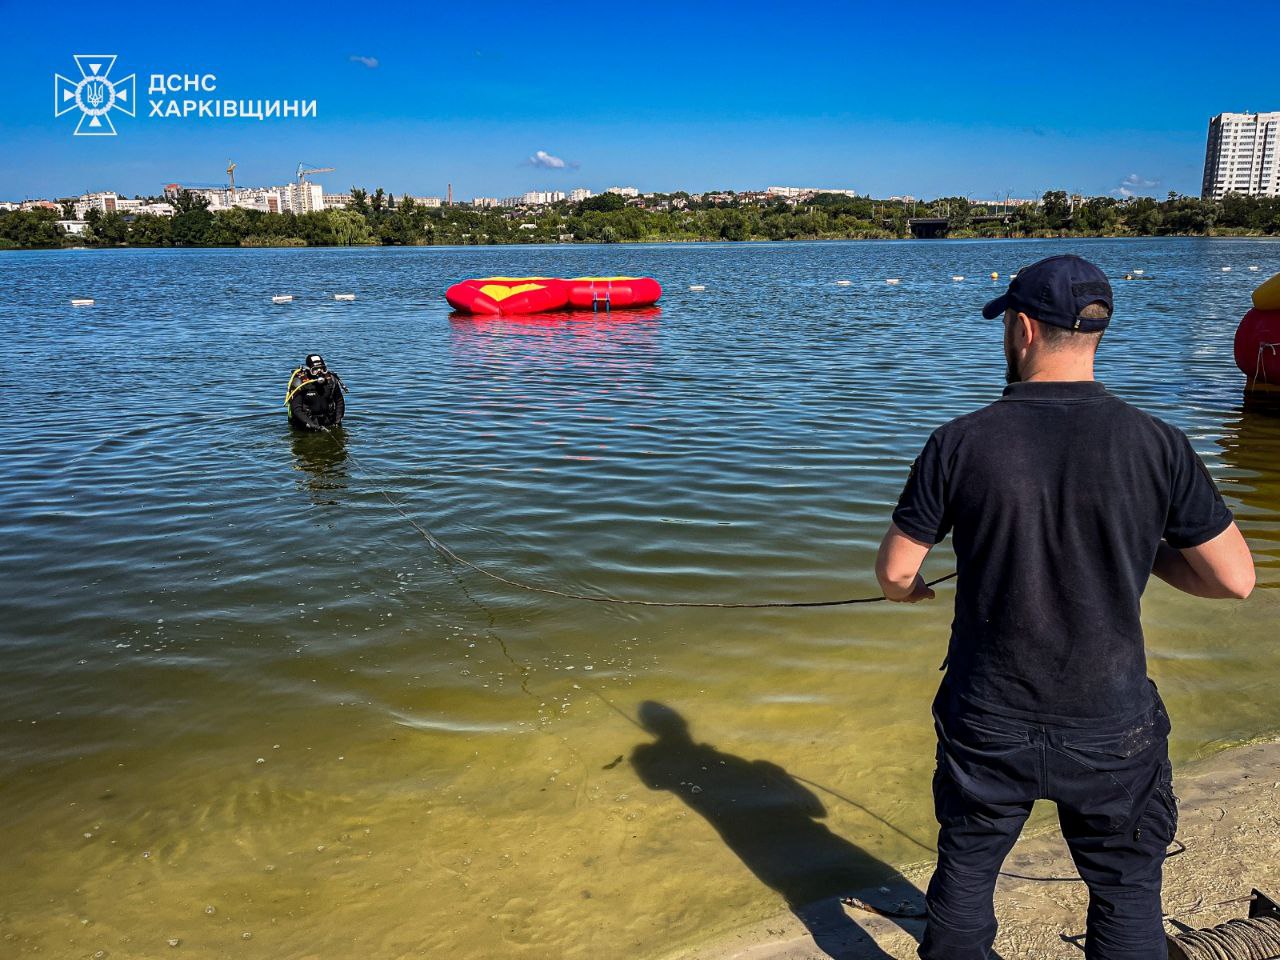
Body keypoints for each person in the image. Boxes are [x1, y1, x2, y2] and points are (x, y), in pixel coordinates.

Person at [874, 254, 1255, 960]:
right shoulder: (1158, 443)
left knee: (965, 875)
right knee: (1125, 892)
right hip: (1112, 722)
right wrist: (1146, 555)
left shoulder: (959, 441)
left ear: (1021, 329)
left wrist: (915, 591)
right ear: (1096, 335)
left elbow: (896, 571)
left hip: (988, 716)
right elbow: (1234, 581)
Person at [285, 353, 346, 431]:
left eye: (322, 369)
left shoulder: (331, 381)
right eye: (315, 370)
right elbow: (296, 409)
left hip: (328, 422)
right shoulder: (300, 383)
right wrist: (311, 424)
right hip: (305, 424)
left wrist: (338, 420)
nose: (319, 372)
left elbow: (339, 401)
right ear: (308, 370)